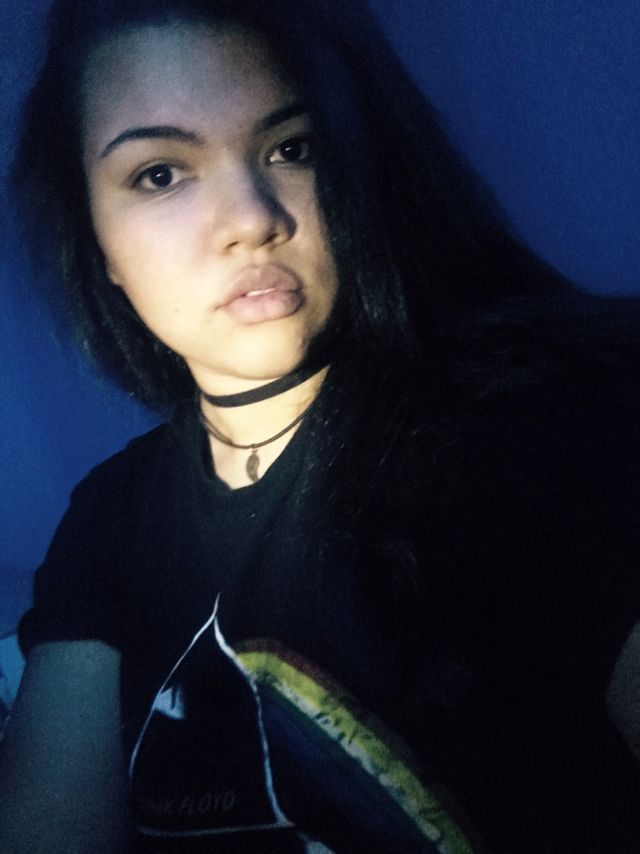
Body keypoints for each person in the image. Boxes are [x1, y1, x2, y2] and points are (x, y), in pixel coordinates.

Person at [1, 0, 640, 851]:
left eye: (290, 148)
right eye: (159, 174)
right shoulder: (108, 518)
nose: (252, 217)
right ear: (98, 246)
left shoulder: (546, 427)